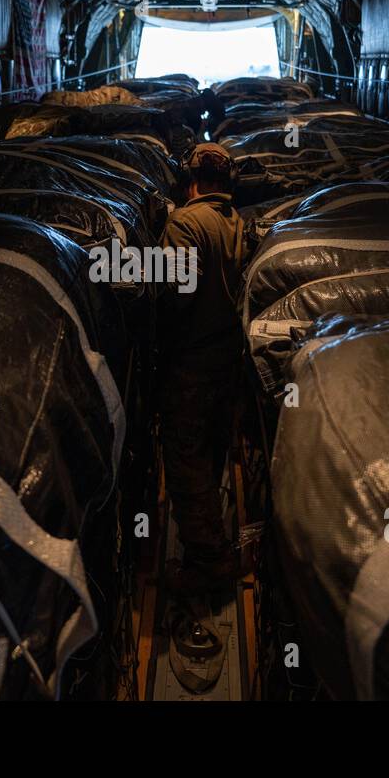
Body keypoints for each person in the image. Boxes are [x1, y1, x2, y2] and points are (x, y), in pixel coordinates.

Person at [156, 141, 247, 595]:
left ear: (188, 177)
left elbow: (175, 293)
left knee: (186, 462)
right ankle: (211, 538)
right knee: (212, 453)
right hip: (226, 357)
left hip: (191, 361)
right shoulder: (236, 220)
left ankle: (208, 568)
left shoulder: (185, 223)